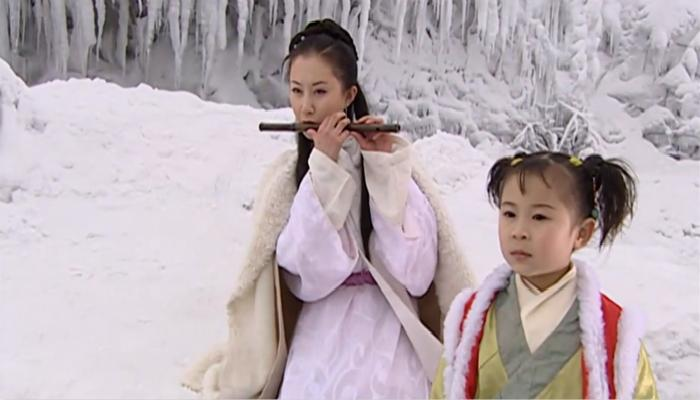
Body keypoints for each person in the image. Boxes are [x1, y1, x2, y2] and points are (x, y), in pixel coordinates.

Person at [182, 19, 474, 399]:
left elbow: (416, 274)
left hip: (391, 324)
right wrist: (322, 169)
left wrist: (383, 170)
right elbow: (306, 277)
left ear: (349, 94)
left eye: (320, 91)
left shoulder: (389, 160)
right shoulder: (290, 178)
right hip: (322, 327)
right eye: (296, 91)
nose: (306, 106)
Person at [432, 151, 658, 399]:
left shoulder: (616, 336)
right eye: (509, 214)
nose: (519, 231)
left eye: (539, 217)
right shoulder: (471, 318)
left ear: (582, 233)